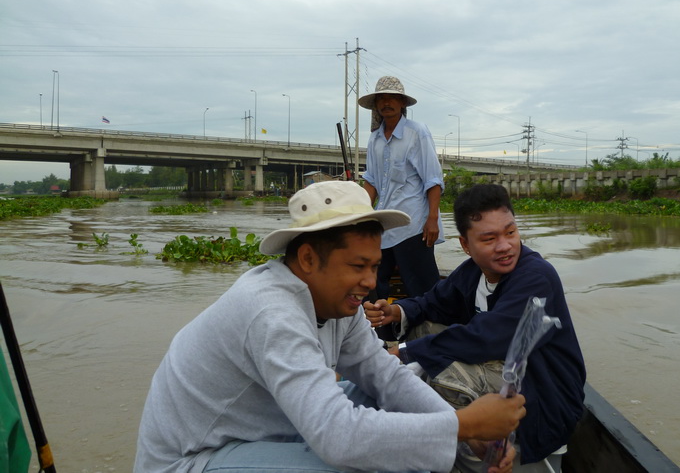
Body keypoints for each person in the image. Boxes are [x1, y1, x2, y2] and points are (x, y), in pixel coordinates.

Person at [134, 180, 525, 473]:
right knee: (353, 460)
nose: (371, 283)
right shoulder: (271, 312)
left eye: (374, 266)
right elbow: (338, 439)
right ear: (307, 258)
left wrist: (464, 431)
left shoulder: (341, 304)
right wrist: (460, 424)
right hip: (191, 460)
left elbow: (383, 375)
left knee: (387, 397)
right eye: (358, 267)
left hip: (266, 432)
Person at [364, 184, 586, 472]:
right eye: (489, 238)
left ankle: (469, 456)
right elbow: (434, 302)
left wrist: (403, 353)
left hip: (543, 397)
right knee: (424, 327)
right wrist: (396, 311)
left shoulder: (536, 277)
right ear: (466, 245)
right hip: (503, 375)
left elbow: (486, 338)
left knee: (446, 377)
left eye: (510, 232)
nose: (505, 246)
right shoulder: (472, 273)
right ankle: (451, 436)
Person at [359, 76, 444, 302]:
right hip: (385, 225)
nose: (387, 102)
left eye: (392, 98)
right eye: (382, 98)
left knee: (423, 287)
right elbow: (371, 182)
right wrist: (359, 215)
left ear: (402, 103)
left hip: (413, 224)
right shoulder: (374, 139)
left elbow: (433, 179)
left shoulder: (417, 132)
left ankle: (427, 333)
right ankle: (382, 334)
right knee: (373, 283)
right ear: (376, 104)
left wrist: (432, 218)